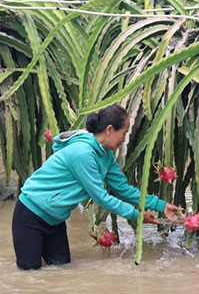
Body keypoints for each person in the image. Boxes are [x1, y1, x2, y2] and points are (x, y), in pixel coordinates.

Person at [11, 104, 182, 270]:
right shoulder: (82, 153)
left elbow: (123, 189)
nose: (124, 139)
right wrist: (135, 214)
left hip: (55, 220)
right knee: (29, 273)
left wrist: (161, 205)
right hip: (30, 215)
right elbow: (100, 197)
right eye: (124, 133)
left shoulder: (105, 155)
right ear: (109, 129)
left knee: (60, 270)